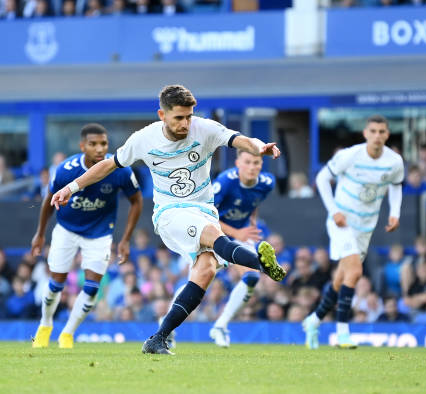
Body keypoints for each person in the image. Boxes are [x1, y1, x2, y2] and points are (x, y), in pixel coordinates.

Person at [50, 85, 286, 355]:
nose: (186, 123)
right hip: (170, 212)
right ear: (162, 114)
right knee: (212, 233)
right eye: (179, 118)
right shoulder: (144, 138)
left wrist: (259, 147)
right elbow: (107, 165)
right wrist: (71, 188)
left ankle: (158, 339)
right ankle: (261, 264)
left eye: (189, 116)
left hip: (203, 208)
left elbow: (241, 140)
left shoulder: (204, 128)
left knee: (206, 270)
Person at [31, 123, 143, 349]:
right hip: (67, 230)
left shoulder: (120, 169)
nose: (99, 149)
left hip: (100, 233)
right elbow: (48, 202)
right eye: (93, 144)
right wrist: (40, 233)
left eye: (103, 143)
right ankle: (45, 325)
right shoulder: (65, 169)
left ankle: (68, 334)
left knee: (92, 288)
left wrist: (126, 238)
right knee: (56, 284)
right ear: (83, 146)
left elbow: (136, 201)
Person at [302, 114, 404, 349]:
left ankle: (313, 320)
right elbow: (322, 178)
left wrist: (395, 212)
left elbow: (396, 185)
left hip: (365, 227)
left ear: (387, 135)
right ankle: (342, 331)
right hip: (342, 223)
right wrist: (334, 211)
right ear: (365, 133)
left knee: (342, 278)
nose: (377, 136)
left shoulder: (394, 161)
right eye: (373, 131)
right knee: (356, 272)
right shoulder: (350, 155)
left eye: (382, 132)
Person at [207, 149, 275, 348]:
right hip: (214, 234)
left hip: (240, 234)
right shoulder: (225, 182)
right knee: (200, 282)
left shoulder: (267, 183)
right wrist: (237, 234)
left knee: (252, 277)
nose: (252, 167)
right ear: (238, 163)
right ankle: (166, 326)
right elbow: (207, 214)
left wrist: (251, 223)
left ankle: (220, 325)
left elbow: (254, 202)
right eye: (248, 162)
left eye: (256, 163)